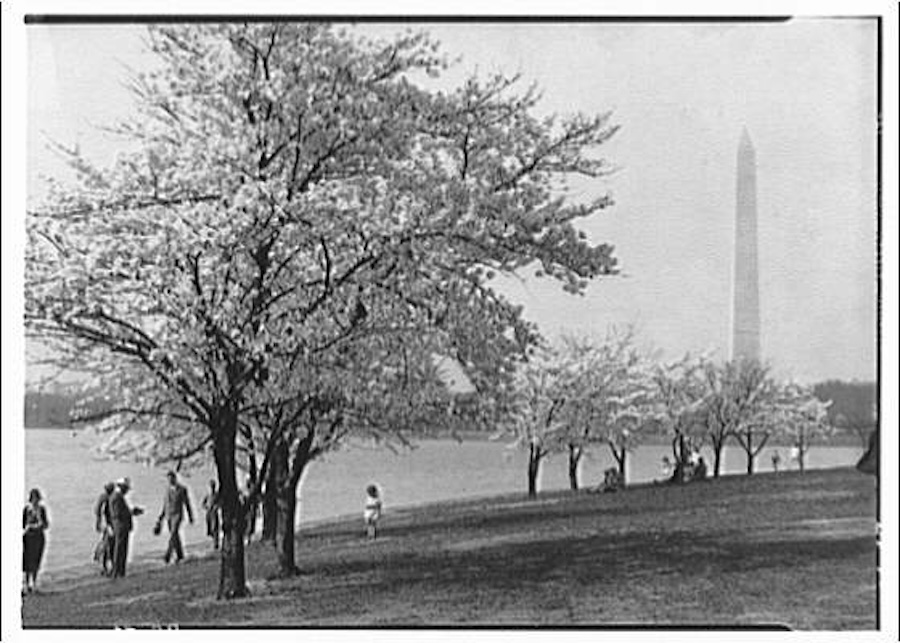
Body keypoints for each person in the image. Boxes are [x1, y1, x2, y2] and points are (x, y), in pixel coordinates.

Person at [155, 471, 194, 564]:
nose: (169, 481)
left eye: (171, 479)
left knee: (173, 533)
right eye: (168, 479)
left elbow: (187, 503)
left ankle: (167, 556)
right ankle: (180, 555)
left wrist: (190, 516)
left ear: (175, 478)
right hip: (169, 515)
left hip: (177, 515)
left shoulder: (182, 489)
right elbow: (165, 505)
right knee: (175, 536)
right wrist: (161, 517)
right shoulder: (167, 490)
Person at [109, 477, 144, 578]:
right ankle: (117, 571)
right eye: (126, 488)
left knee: (122, 549)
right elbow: (117, 513)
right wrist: (132, 512)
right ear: (121, 487)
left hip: (121, 526)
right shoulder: (116, 497)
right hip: (120, 526)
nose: (127, 491)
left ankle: (120, 571)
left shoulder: (117, 496)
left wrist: (132, 512)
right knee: (120, 549)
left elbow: (120, 512)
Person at [23, 488, 49, 595]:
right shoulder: (26, 509)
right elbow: (22, 524)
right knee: (27, 560)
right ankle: (26, 583)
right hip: (28, 537)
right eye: (33, 498)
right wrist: (29, 527)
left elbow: (46, 524)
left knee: (37, 559)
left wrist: (39, 525)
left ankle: (33, 583)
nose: (35, 500)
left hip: (39, 537)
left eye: (37, 498)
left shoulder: (42, 509)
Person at [93, 482, 116, 575]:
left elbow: (97, 511)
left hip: (105, 524)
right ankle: (106, 567)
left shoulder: (102, 497)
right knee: (108, 545)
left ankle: (104, 566)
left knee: (106, 544)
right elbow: (103, 512)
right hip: (108, 524)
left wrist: (98, 524)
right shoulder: (108, 498)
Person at [202, 479, 221, 549]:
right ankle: (214, 540)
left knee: (215, 528)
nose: (211, 487)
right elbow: (203, 504)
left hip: (214, 513)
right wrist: (206, 506)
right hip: (208, 513)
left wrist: (217, 506)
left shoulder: (217, 495)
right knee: (210, 529)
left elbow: (220, 502)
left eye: (213, 486)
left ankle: (216, 544)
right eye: (210, 486)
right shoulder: (207, 495)